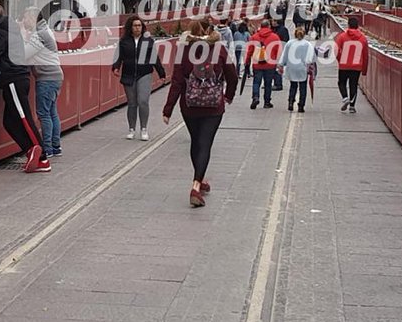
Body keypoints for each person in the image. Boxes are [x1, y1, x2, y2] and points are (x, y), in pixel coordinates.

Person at [161, 18, 238, 208]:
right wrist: (228, 96)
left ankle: (200, 178)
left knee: (196, 142)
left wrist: (168, 109)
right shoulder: (218, 49)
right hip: (213, 106)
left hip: (189, 105)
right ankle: (196, 186)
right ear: (209, 30)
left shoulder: (184, 51)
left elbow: (177, 81)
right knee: (205, 144)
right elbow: (233, 75)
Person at [0, 4, 48, 173]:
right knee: (9, 121)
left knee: (24, 118)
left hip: (12, 78)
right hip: (20, 75)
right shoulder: (14, 29)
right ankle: (31, 149)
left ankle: (42, 157)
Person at [111, 16, 166, 140]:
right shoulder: (124, 41)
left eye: (139, 25)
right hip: (129, 74)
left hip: (144, 73)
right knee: (132, 103)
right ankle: (131, 129)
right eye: (135, 25)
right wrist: (116, 67)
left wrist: (161, 73)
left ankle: (144, 129)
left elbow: (154, 58)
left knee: (143, 101)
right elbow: (118, 56)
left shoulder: (148, 41)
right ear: (130, 27)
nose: (137, 28)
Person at [23, 7, 63, 159]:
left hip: (46, 78)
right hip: (54, 76)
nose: (23, 21)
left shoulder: (39, 34)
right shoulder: (45, 30)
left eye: (26, 18)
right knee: (52, 113)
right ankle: (55, 145)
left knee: (44, 114)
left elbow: (25, 54)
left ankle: (47, 149)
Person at [334, 16, 369, 113]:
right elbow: (365, 55)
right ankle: (352, 106)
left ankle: (345, 98)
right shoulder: (363, 38)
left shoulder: (342, 36)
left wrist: (340, 59)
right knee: (353, 85)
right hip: (357, 66)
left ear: (348, 25)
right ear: (357, 26)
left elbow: (336, 50)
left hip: (344, 64)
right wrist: (364, 70)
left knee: (341, 83)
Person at [278, 27, 316, 113]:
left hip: (291, 68)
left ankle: (291, 102)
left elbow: (284, 55)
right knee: (303, 87)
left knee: (293, 86)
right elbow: (311, 59)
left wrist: (281, 65)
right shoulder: (308, 44)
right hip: (302, 68)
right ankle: (301, 106)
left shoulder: (289, 43)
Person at [246, 19, 282, 109]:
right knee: (268, 83)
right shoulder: (275, 37)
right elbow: (279, 51)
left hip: (257, 64)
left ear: (260, 26)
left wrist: (247, 61)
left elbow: (249, 51)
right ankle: (267, 102)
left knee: (256, 82)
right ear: (269, 26)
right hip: (270, 64)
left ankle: (255, 97)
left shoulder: (254, 37)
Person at [272, 18, 289, 90]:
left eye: (273, 20)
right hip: (274, 51)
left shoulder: (282, 30)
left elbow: (285, 40)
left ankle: (278, 84)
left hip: (279, 51)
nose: (272, 22)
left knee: (277, 68)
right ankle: (276, 82)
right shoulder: (274, 29)